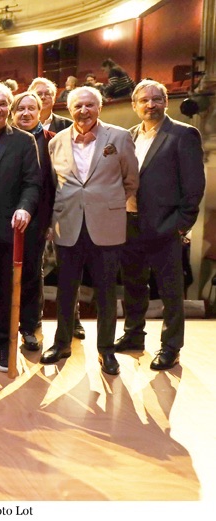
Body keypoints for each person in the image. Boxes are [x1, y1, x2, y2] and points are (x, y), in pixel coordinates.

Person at [40, 86, 138, 375]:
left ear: (99, 107)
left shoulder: (119, 137)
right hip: (68, 225)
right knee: (66, 290)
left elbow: (131, 180)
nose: (83, 111)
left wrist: (106, 204)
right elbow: (54, 184)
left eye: (89, 105)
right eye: (78, 106)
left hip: (106, 226)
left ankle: (106, 350)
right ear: (69, 109)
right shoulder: (56, 141)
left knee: (106, 292)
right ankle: (62, 344)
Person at [114, 80, 205, 370]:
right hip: (130, 223)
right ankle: (133, 335)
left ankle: (171, 347)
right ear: (134, 105)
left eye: (156, 99)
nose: (150, 105)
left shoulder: (183, 134)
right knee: (133, 284)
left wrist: (181, 225)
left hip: (166, 226)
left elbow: (194, 185)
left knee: (170, 291)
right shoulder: (128, 136)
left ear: (166, 102)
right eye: (144, 100)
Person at [0, 82, 41, 371]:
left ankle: (4, 343)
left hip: (8, 229)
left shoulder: (24, 141)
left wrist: (25, 208)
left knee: (5, 289)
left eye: (3, 104)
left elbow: (32, 183)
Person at [28, 77, 85, 339]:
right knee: (36, 270)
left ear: (54, 97)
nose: (43, 97)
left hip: (64, 208)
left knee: (68, 269)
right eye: (38, 93)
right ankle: (35, 320)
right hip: (34, 212)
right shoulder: (20, 126)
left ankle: (74, 320)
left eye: (48, 93)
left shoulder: (67, 127)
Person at [10, 91, 56, 352]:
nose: (25, 113)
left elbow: (56, 186)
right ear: (13, 113)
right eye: (20, 109)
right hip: (6, 220)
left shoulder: (51, 140)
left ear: (40, 112)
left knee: (30, 274)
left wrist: (51, 221)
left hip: (37, 220)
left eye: (31, 108)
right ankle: (3, 329)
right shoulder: (4, 138)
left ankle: (29, 327)